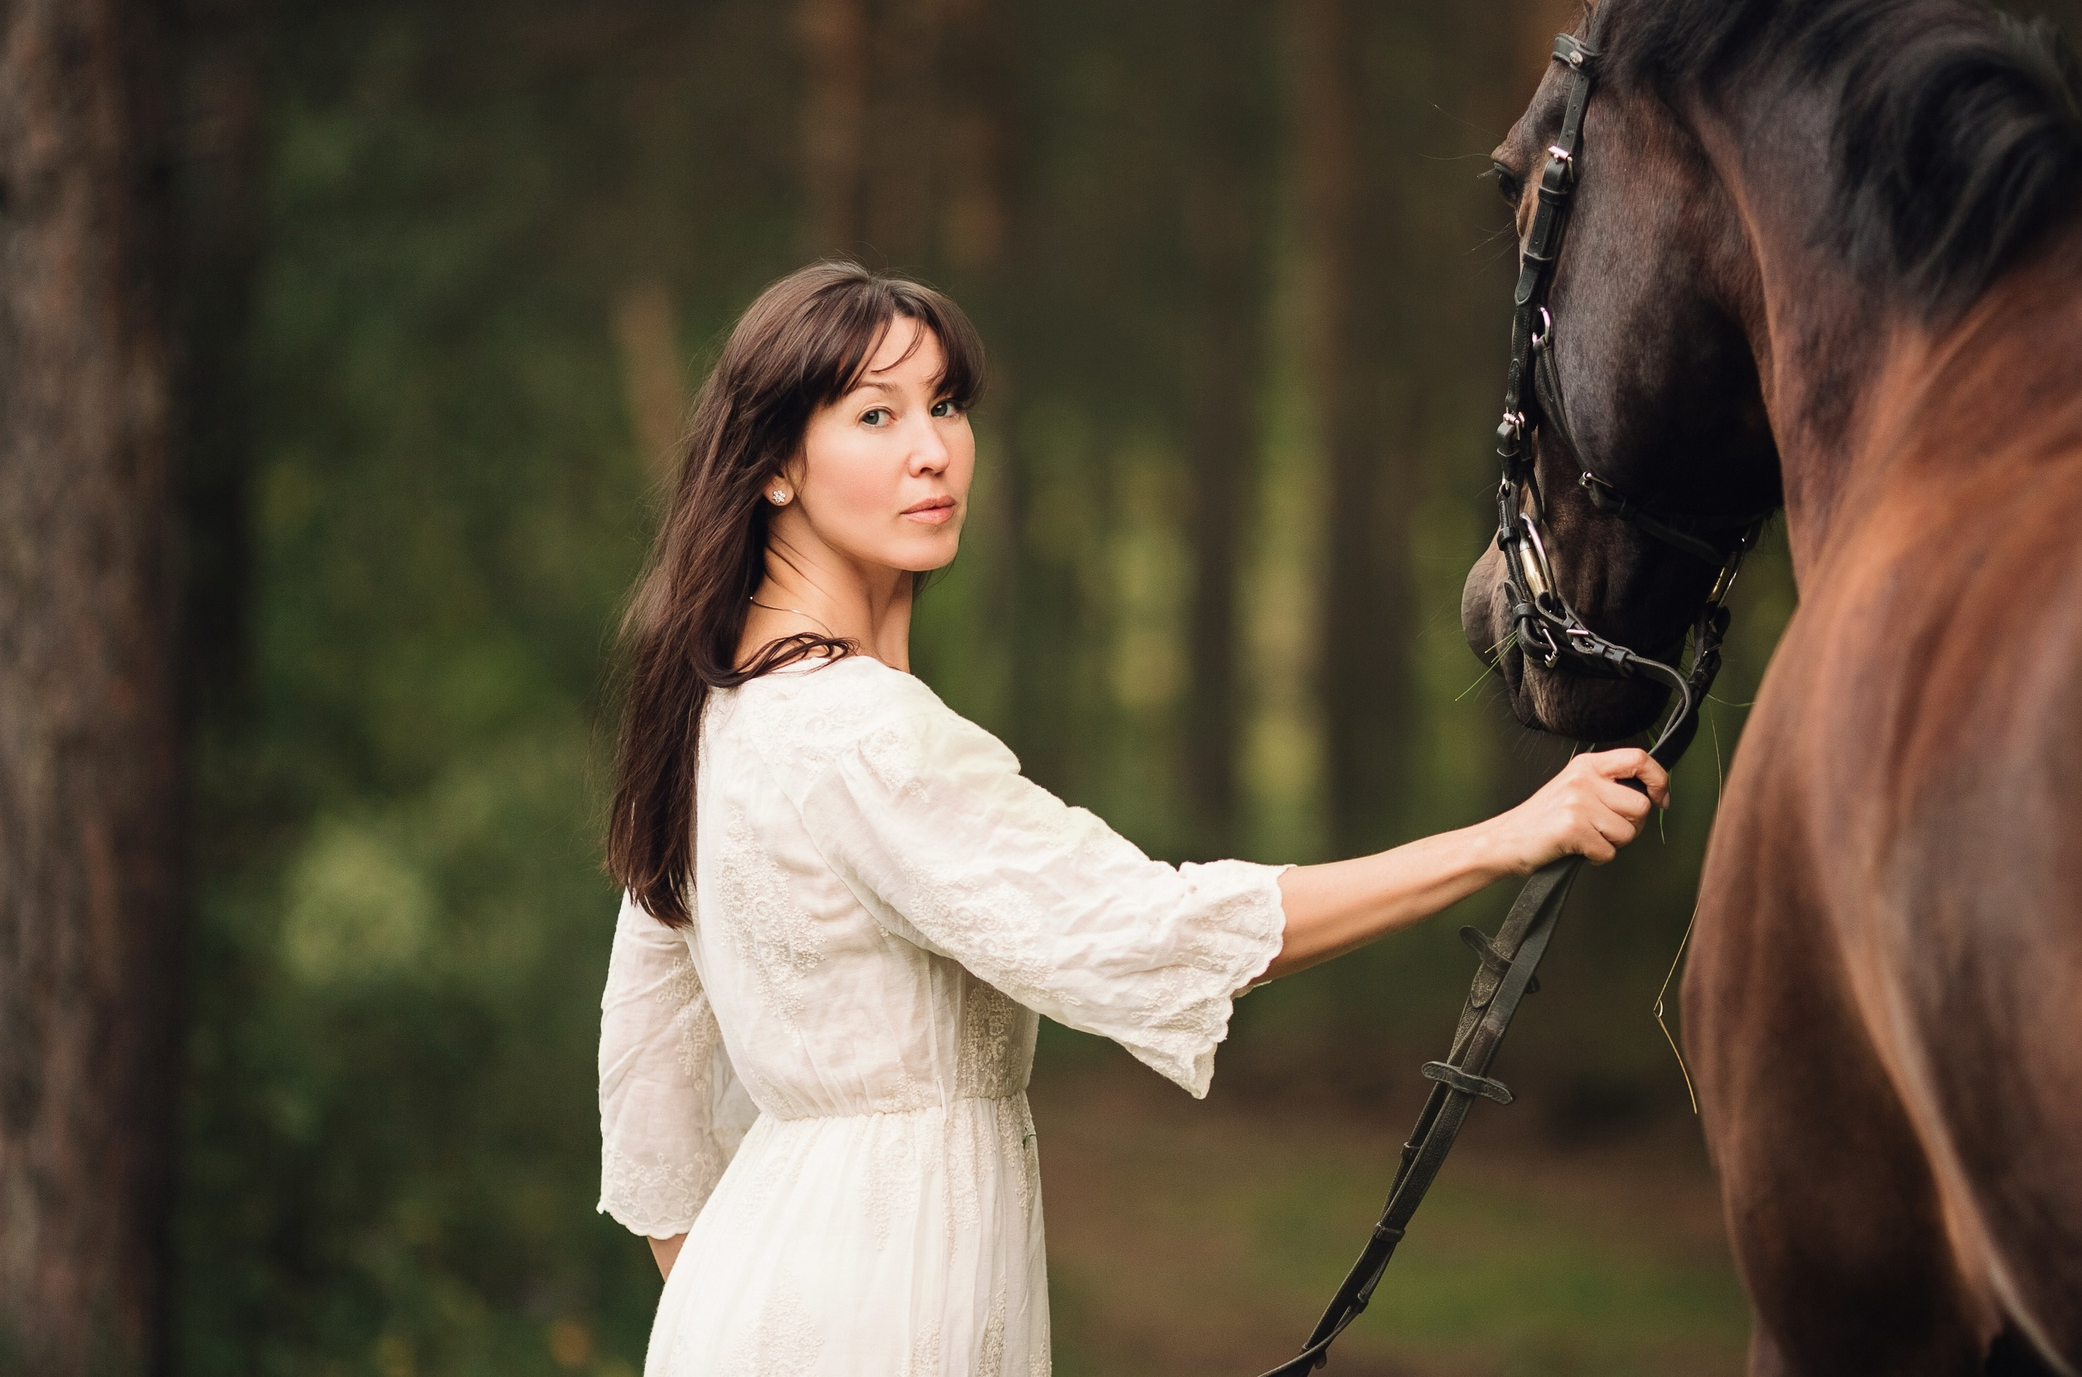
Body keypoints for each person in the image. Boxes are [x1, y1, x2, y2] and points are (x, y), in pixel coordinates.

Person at [596, 261, 1661, 1375]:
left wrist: (741, 1306)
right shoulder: (864, 737)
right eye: (875, 414)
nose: (933, 449)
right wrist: (1508, 837)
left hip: (745, 1305)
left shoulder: (718, 715)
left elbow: (651, 1089)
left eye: (946, 405)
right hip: (877, 1320)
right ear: (773, 467)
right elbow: (1146, 932)